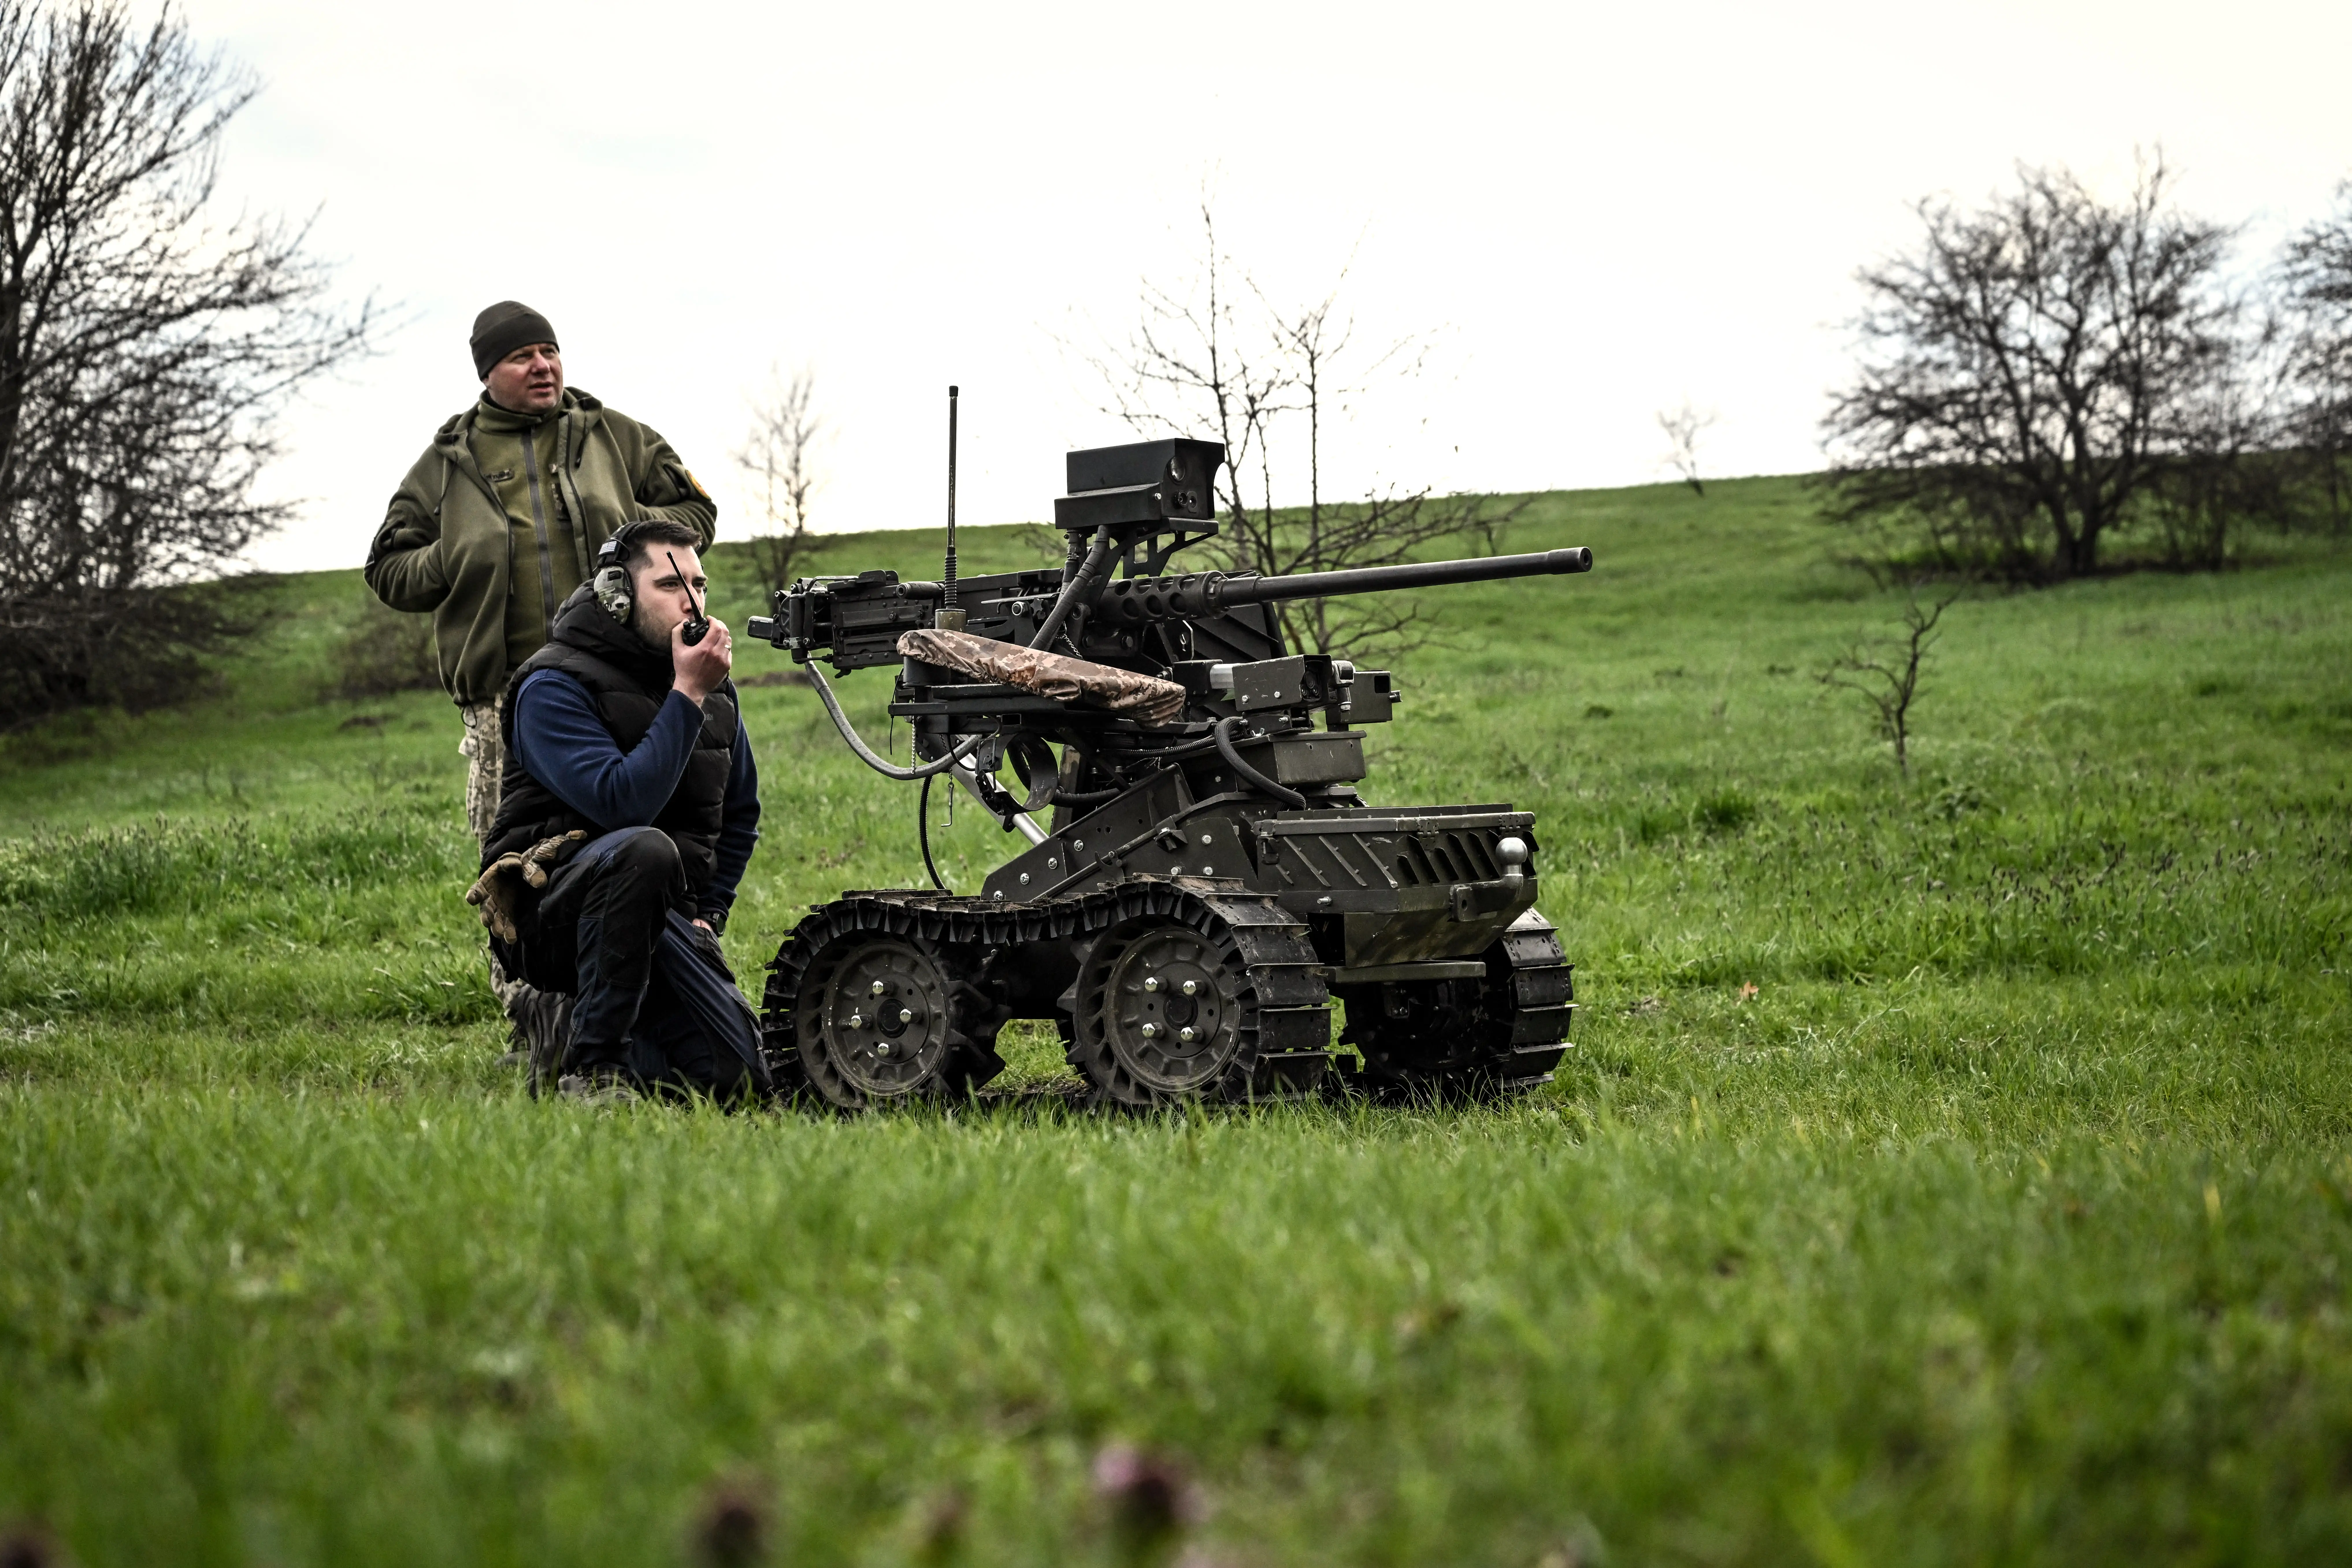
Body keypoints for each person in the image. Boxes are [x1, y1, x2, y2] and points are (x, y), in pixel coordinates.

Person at [365, 301, 715, 1060]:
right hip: (506, 701)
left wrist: (638, 537)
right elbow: (388, 568)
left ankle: (657, 1005)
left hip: (621, 682)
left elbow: (697, 510)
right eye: (522, 355)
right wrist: (453, 558)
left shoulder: (612, 436)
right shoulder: (449, 461)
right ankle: (535, 1020)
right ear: (487, 372)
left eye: (549, 351)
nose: (542, 366)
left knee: (640, 841)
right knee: (518, 870)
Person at [468, 519, 768, 1103]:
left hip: (662, 918)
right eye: (669, 585)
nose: (692, 600)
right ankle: (592, 1067)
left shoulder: (710, 690)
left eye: (700, 585)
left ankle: (573, 1025)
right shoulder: (553, 685)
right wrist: (686, 695)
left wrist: (709, 914)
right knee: (642, 848)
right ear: (617, 594)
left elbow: (741, 813)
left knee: (735, 1079)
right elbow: (623, 802)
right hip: (556, 915)